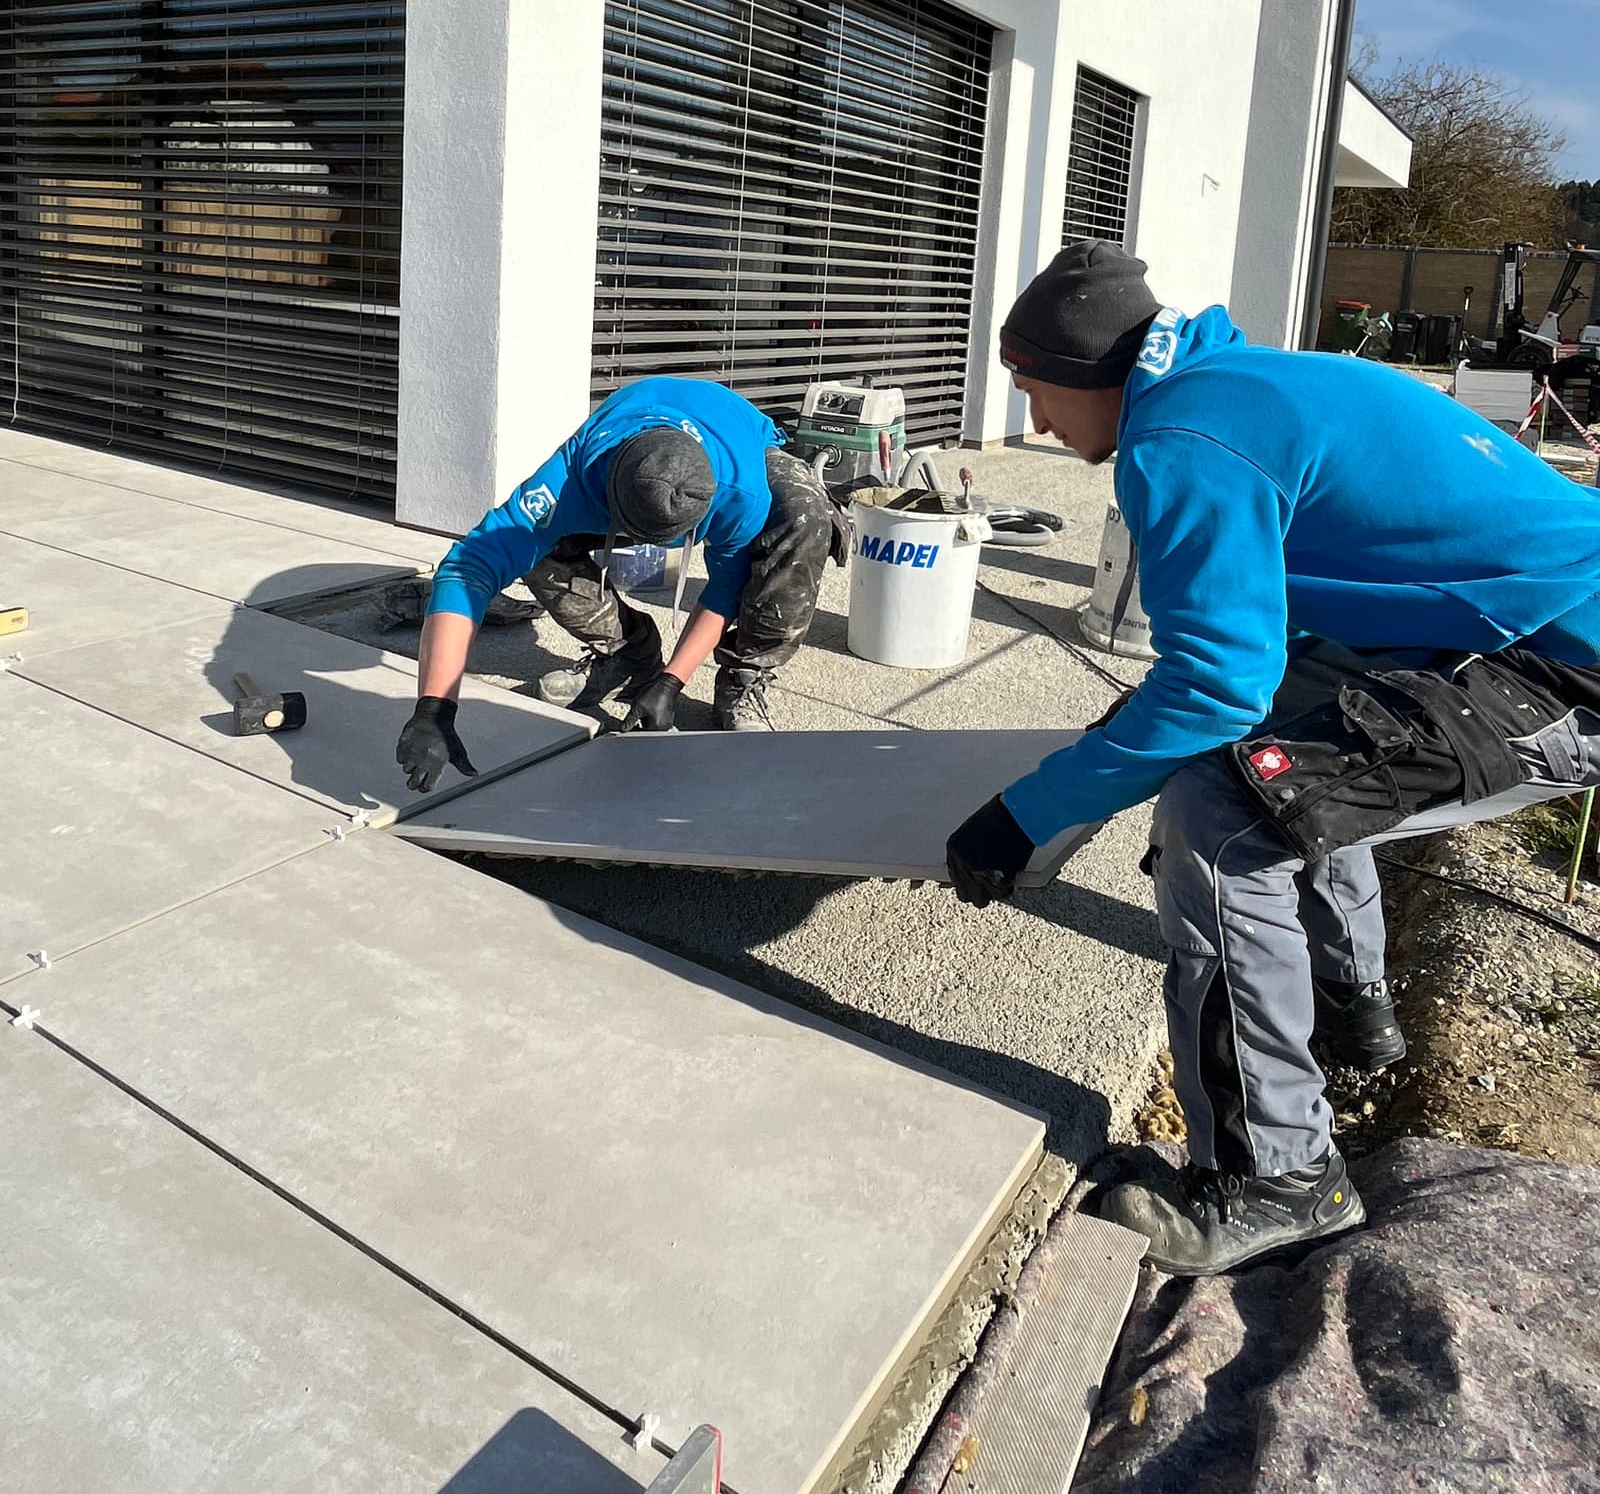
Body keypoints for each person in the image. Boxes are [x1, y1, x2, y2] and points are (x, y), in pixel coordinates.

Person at [945, 241, 1600, 1276]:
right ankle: (1351, 1003)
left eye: (1033, 391)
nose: (1033, 424)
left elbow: (1212, 687)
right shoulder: (1239, 383)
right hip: (1516, 625)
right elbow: (1238, 668)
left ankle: (1280, 1180)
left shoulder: (1182, 438)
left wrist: (1028, 815)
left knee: (1226, 813)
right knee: (1273, 759)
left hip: (1557, 668)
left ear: (1085, 377)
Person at [396, 377, 844, 790]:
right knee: (529, 545)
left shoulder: (738, 493)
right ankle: (629, 654)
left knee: (804, 515)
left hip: (741, 436)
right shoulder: (570, 476)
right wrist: (435, 707)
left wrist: (673, 682)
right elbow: (469, 567)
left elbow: (724, 590)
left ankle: (745, 675)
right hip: (631, 443)